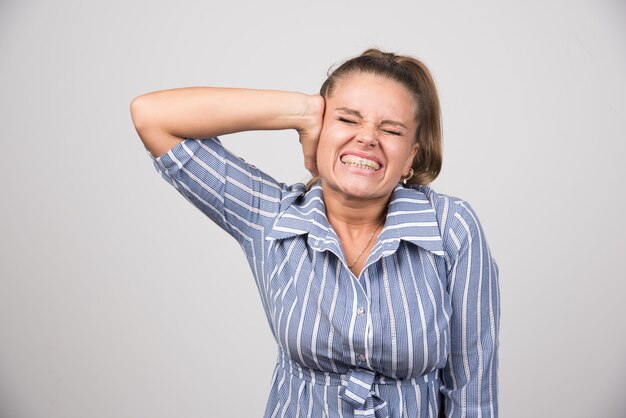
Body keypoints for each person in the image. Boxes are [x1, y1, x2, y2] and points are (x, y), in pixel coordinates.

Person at [130, 49, 500, 418]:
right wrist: (301, 111)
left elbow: (474, 395)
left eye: (391, 130)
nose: (368, 138)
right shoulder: (271, 217)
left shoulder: (451, 228)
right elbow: (152, 116)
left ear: (410, 157)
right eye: (346, 119)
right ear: (318, 132)